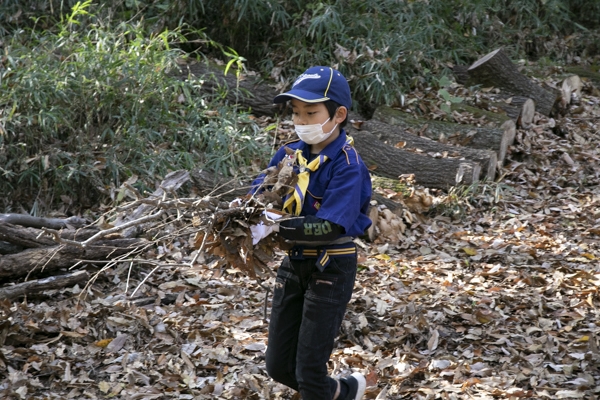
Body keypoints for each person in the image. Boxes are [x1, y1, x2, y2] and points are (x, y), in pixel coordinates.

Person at [249, 66, 372, 400]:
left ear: (339, 114)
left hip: (331, 265)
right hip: (295, 262)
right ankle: (344, 392)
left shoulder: (348, 165)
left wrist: (276, 225)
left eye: (311, 112)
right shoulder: (290, 154)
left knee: (308, 370)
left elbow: (329, 227)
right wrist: (244, 212)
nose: (302, 121)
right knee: (277, 366)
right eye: (296, 113)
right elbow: (259, 193)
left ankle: (329, 391)